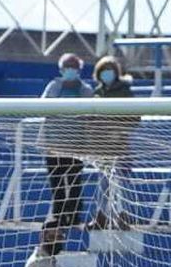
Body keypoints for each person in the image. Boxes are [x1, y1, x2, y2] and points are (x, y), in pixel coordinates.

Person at [40, 53, 94, 228]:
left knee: (74, 182)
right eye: (67, 67)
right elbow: (43, 107)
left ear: (79, 69)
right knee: (57, 184)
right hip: (53, 145)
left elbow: (91, 114)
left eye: (74, 66)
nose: (70, 70)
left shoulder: (85, 90)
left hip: (77, 145)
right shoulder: (53, 87)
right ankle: (59, 217)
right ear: (61, 69)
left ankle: (75, 217)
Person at [87, 54, 138, 230]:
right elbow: (90, 119)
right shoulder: (97, 93)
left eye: (109, 70)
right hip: (101, 146)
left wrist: (118, 130)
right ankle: (101, 216)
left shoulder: (125, 92)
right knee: (103, 182)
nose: (106, 73)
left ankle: (123, 216)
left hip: (120, 145)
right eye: (103, 71)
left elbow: (134, 118)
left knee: (122, 181)